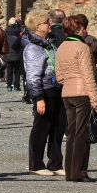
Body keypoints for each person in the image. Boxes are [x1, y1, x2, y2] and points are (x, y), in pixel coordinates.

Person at [54, 15, 97, 182]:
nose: (85, 30)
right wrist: (95, 99)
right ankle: (80, 171)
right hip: (82, 93)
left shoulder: (61, 47)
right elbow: (88, 75)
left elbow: (58, 76)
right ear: (77, 29)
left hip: (67, 93)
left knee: (72, 133)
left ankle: (70, 171)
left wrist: (69, 81)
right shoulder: (82, 47)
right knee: (82, 134)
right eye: (82, 27)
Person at [23, 11, 65, 176]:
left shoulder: (51, 43)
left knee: (58, 127)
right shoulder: (32, 48)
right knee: (41, 128)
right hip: (45, 91)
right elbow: (32, 76)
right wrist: (38, 98)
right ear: (37, 27)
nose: (50, 23)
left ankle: (55, 163)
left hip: (57, 90)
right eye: (46, 21)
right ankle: (36, 164)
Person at [4, 18, 25, 92]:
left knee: (9, 71)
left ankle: (9, 86)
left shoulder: (5, 35)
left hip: (7, 54)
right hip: (16, 54)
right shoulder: (17, 35)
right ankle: (16, 86)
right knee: (17, 71)